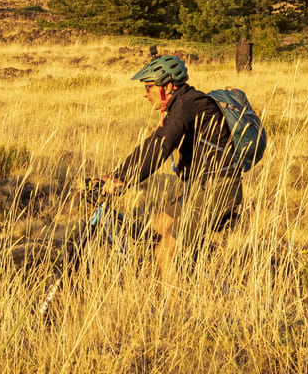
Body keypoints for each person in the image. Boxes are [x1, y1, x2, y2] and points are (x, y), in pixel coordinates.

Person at [95, 53, 241, 277]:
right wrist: (116, 174)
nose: (145, 94)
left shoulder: (188, 104)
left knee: (164, 253)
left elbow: (159, 146)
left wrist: (121, 178)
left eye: (149, 87)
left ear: (169, 85)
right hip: (200, 189)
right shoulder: (184, 104)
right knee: (156, 228)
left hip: (218, 191)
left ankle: (175, 311)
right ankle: (185, 275)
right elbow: (153, 143)